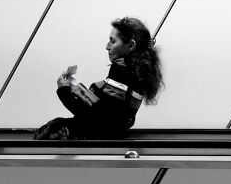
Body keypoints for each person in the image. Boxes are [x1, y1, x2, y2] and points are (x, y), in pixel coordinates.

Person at [35, 17, 163, 140]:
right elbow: (111, 111)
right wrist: (80, 93)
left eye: (113, 41)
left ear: (130, 45)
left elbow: (98, 119)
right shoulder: (137, 72)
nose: (107, 46)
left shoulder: (121, 72)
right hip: (106, 134)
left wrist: (64, 91)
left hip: (92, 137)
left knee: (52, 129)